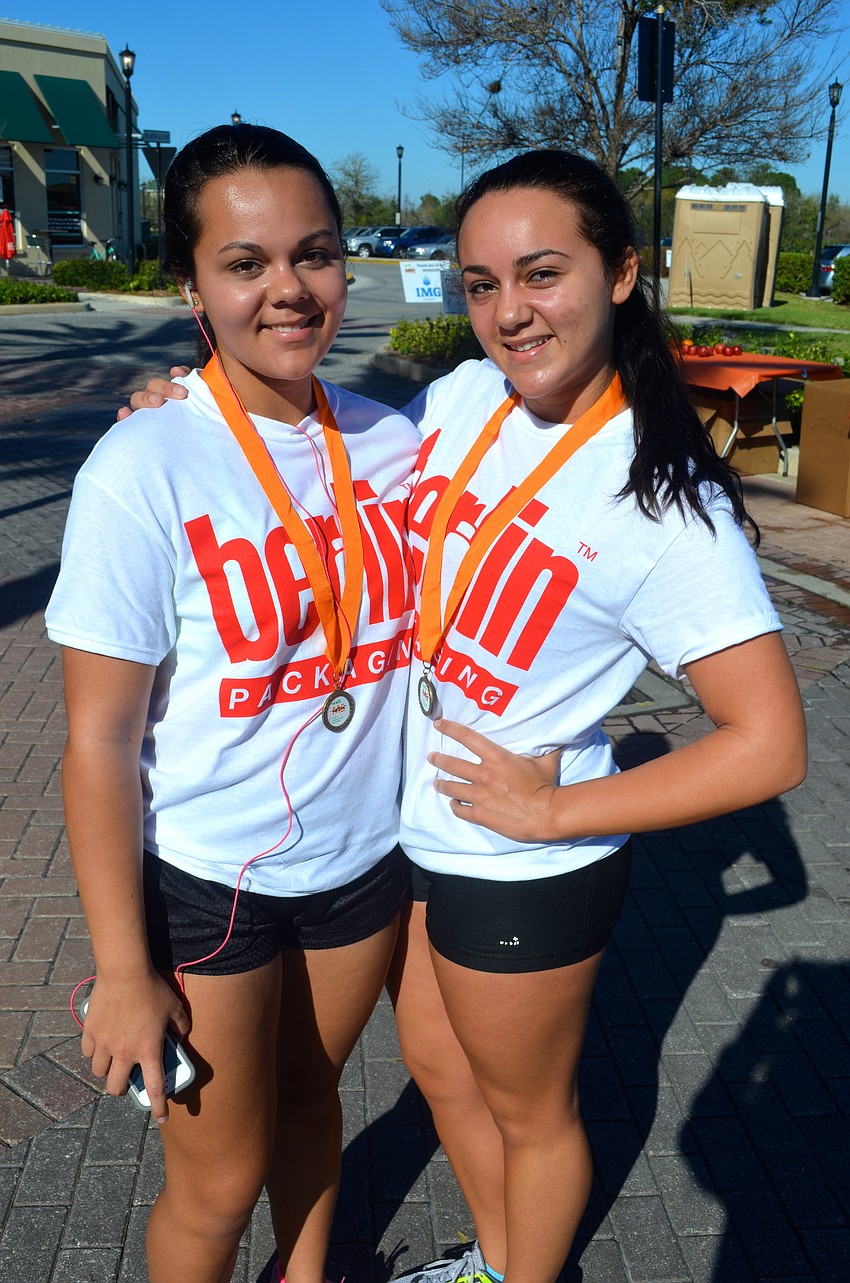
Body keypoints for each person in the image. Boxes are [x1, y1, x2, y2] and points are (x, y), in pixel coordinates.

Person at [124, 148, 807, 1283]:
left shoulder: (663, 500)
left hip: (521, 858)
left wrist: (557, 811)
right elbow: (309, 459)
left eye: (541, 273)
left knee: (531, 1112)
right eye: (481, 283)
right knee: (442, 1075)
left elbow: (770, 743)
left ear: (623, 272)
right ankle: (494, 1257)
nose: (509, 312)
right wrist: (179, 407)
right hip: (410, 834)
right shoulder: (461, 401)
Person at [46, 123, 420, 1283]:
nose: (289, 289)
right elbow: (97, 741)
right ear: (191, 286)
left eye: (313, 254)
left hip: (364, 862)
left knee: (314, 1106)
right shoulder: (145, 464)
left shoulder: (397, 439)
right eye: (246, 263)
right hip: (216, 885)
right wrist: (122, 966)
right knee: (216, 1178)